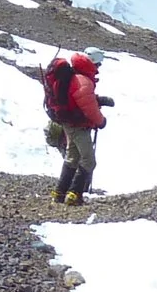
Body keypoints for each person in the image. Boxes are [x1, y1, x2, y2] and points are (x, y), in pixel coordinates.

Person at [44, 52, 113, 206]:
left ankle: (59, 193)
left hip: (68, 123)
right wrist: (101, 121)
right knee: (89, 161)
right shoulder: (83, 81)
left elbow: (80, 99)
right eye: (98, 64)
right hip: (79, 126)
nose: (98, 68)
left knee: (72, 157)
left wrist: (98, 100)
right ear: (93, 63)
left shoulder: (74, 76)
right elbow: (88, 108)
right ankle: (74, 194)